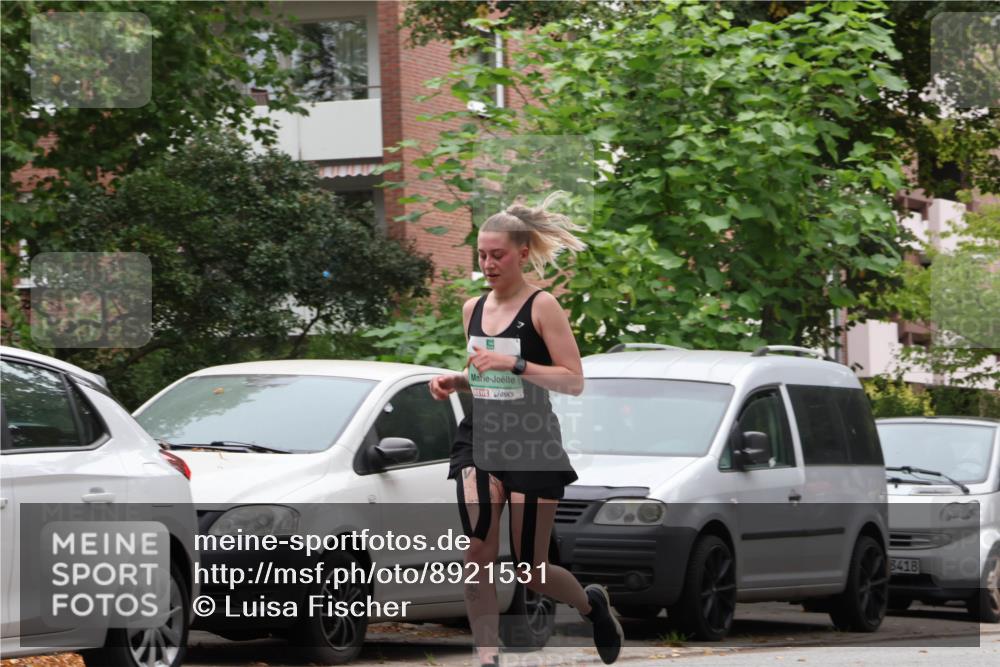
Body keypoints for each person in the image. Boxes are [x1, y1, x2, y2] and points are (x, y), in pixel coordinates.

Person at [429, 192, 624, 667]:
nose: (489, 264)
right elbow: (484, 374)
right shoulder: (472, 307)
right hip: (479, 438)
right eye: (482, 255)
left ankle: (590, 604)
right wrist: (459, 379)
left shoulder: (543, 306)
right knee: (477, 549)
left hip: (532, 442)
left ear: (521, 253)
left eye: (497, 255)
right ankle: (487, 657)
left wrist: (515, 362)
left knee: (531, 570)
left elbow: (573, 380)